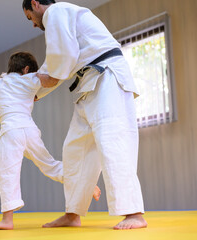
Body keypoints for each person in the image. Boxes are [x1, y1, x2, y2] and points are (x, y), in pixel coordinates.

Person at [22, 0, 147, 230]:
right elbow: (54, 63)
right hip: (88, 85)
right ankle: (73, 213)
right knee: (74, 150)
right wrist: (34, 92)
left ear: (36, 4)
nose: (33, 24)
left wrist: (44, 84)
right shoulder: (60, 21)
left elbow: (62, 60)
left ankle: (135, 213)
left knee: (112, 141)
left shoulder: (56, 12)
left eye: (30, 17)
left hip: (107, 78)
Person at [0, 51, 101, 230]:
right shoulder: (30, 79)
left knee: (7, 172)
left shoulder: (0, 82)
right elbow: (51, 80)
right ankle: (86, 182)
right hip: (30, 131)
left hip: (10, 131)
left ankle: (7, 220)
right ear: (27, 69)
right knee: (50, 165)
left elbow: (5, 100)